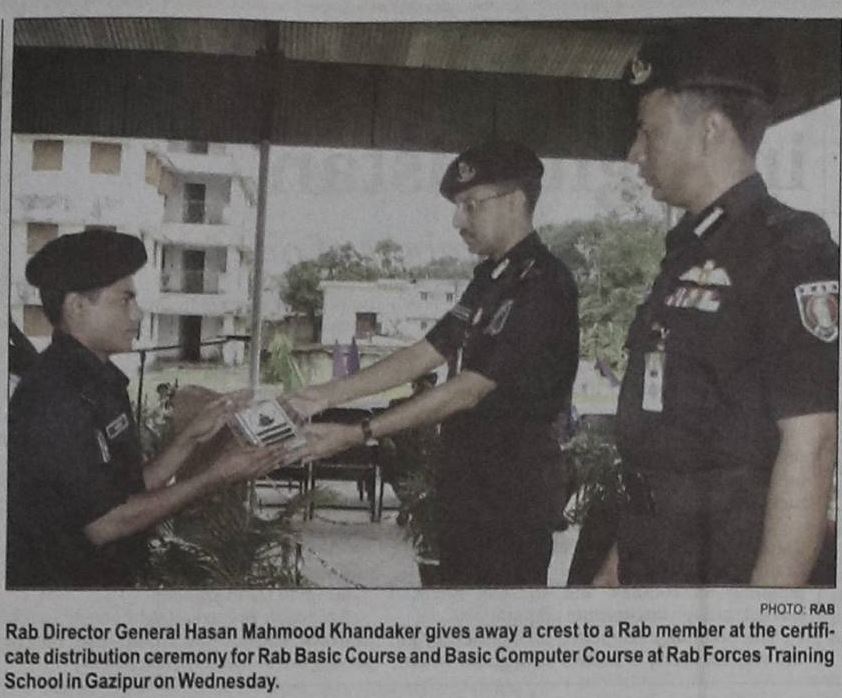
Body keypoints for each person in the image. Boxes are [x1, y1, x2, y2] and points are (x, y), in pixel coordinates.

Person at [592, 29, 838, 586]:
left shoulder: (792, 250)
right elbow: (670, 438)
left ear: (711, 130)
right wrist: (621, 560)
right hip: (653, 553)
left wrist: (759, 621)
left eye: (648, 131)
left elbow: (812, 445)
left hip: (727, 572)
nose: (635, 153)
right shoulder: (688, 251)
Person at [283, 141, 579, 586]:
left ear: (515, 201)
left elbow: (468, 390)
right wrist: (324, 394)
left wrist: (358, 433)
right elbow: (428, 351)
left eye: (470, 205)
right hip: (468, 485)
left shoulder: (544, 284)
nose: (458, 221)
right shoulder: (491, 279)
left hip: (512, 496)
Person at [6, 228, 281, 589]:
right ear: (77, 306)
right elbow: (106, 523)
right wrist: (218, 475)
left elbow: (129, 488)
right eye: (125, 300)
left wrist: (191, 437)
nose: (137, 313)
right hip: (62, 594)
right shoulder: (53, 395)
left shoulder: (100, 381)